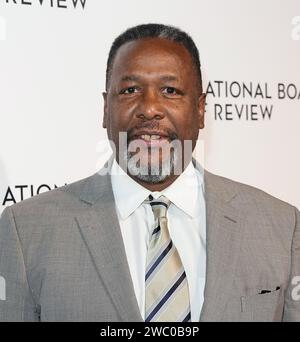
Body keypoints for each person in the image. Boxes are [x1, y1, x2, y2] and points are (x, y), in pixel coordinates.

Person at [0, 23, 299, 322]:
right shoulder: (26, 231)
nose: (150, 108)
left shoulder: (281, 227)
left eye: (170, 91)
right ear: (106, 109)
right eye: (130, 90)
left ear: (200, 110)